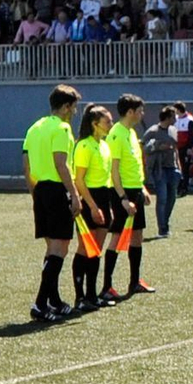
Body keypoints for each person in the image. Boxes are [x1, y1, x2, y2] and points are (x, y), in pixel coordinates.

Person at [22, 84, 80, 321]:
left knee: (52, 248)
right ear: (66, 107)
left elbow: (26, 166)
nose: (75, 112)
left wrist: (34, 193)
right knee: (60, 247)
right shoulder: (62, 128)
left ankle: (53, 300)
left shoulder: (35, 127)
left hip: (40, 189)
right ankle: (39, 304)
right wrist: (74, 194)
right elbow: (60, 163)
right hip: (56, 189)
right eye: (74, 107)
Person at [104, 94, 156, 298]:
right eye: (140, 110)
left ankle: (134, 282)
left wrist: (142, 188)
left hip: (134, 190)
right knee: (118, 237)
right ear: (130, 112)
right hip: (121, 192)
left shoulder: (131, 132)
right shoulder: (116, 134)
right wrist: (123, 198)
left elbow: (133, 164)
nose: (142, 114)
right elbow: (113, 169)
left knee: (137, 236)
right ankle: (106, 286)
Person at [70, 106, 118, 312]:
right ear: (94, 124)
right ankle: (80, 297)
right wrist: (92, 206)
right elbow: (78, 180)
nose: (110, 125)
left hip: (103, 197)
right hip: (89, 198)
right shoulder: (84, 146)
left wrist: (107, 207)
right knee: (85, 248)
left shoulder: (104, 145)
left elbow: (106, 178)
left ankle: (92, 294)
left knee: (96, 250)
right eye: (107, 121)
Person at [142, 106, 182, 239]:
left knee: (172, 198)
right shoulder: (153, 131)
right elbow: (144, 146)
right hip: (159, 169)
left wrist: (179, 166)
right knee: (162, 198)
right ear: (168, 117)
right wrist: (158, 146)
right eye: (174, 116)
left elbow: (175, 149)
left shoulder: (173, 130)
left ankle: (166, 222)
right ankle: (162, 229)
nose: (176, 118)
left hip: (172, 168)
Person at [172, 102, 193, 195]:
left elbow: (191, 135)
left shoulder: (189, 119)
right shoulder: (175, 119)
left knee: (185, 168)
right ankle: (178, 187)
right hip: (176, 147)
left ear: (178, 109)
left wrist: (190, 147)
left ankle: (184, 188)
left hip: (185, 148)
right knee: (176, 167)